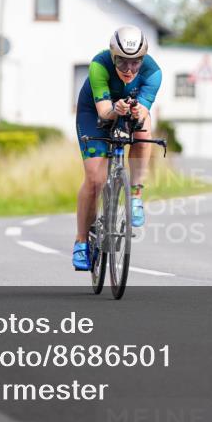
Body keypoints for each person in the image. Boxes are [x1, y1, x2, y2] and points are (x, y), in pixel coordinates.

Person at [72, 25, 162, 271]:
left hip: (127, 109)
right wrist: (115, 109)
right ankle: (81, 241)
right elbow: (104, 112)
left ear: (143, 58)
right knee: (95, 180)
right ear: (113, 56)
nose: (129, 69)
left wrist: (136, 112)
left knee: (142, 132)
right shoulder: (99, 65)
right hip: (94, 113)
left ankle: (136, 194)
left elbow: (143, 113)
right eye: (122, 62)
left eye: (135, 62)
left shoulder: (153, 72)